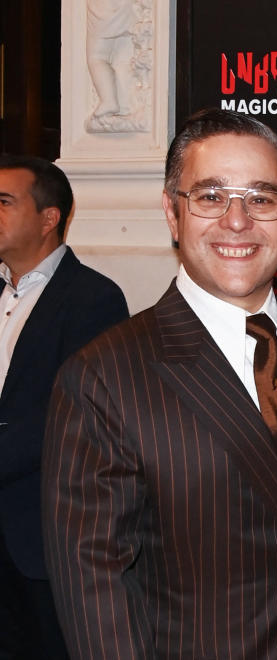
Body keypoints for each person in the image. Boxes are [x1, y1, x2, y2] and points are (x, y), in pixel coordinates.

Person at [42, 109, 277, 659]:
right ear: (172, 212)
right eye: (210, 197)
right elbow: (96, 599)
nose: (238, 220)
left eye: (261, 199)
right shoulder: (103, 379)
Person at [0, 155, 128, 659]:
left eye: (4, 201)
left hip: (42, 539)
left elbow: (69, 415)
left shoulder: (92, 298)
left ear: (49, 218)